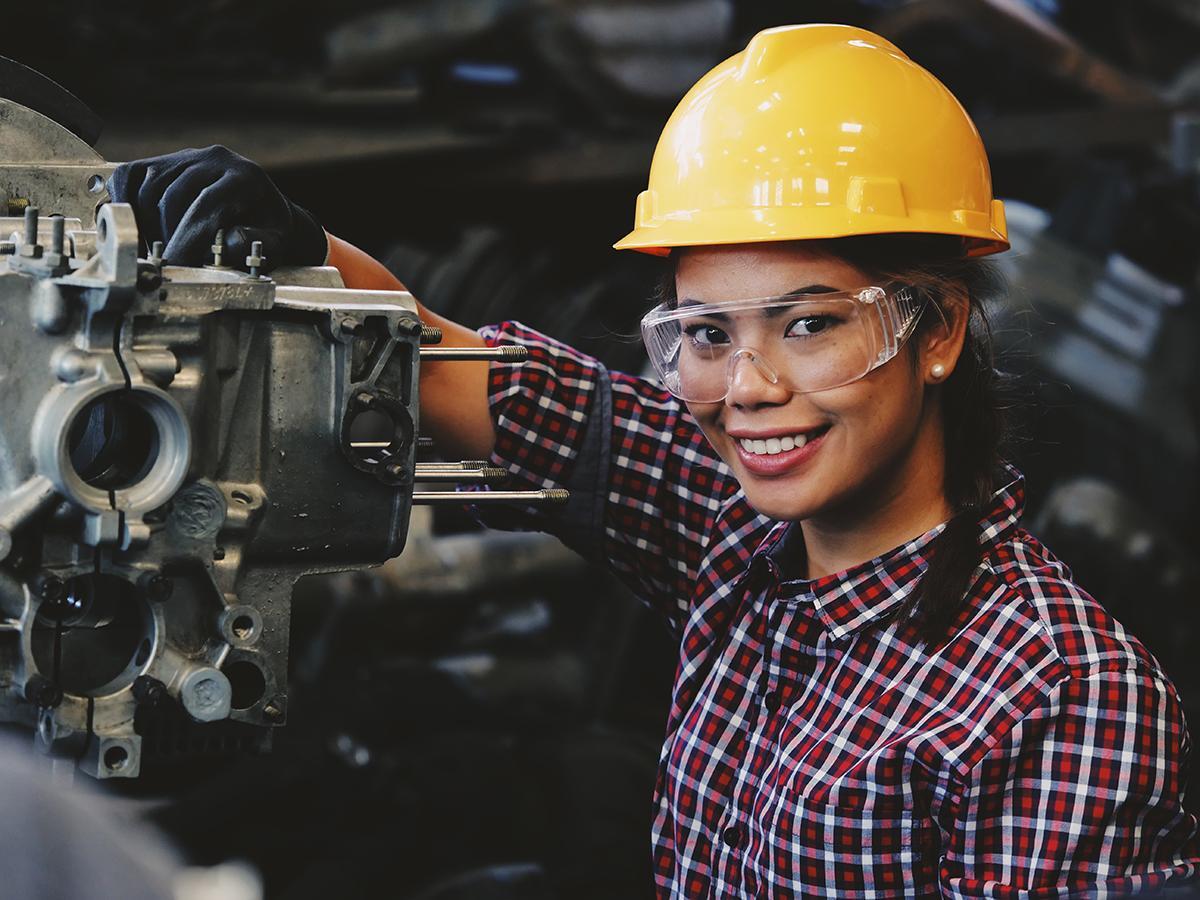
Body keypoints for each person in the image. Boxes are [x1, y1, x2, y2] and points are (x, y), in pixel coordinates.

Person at [110, 22, 1199, 899]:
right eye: (706, 335)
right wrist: (295, 247)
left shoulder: (1065, 698)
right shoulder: (736, 538)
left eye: (811, 325)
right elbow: (447, 366)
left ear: (941, 331)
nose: (748, 389)